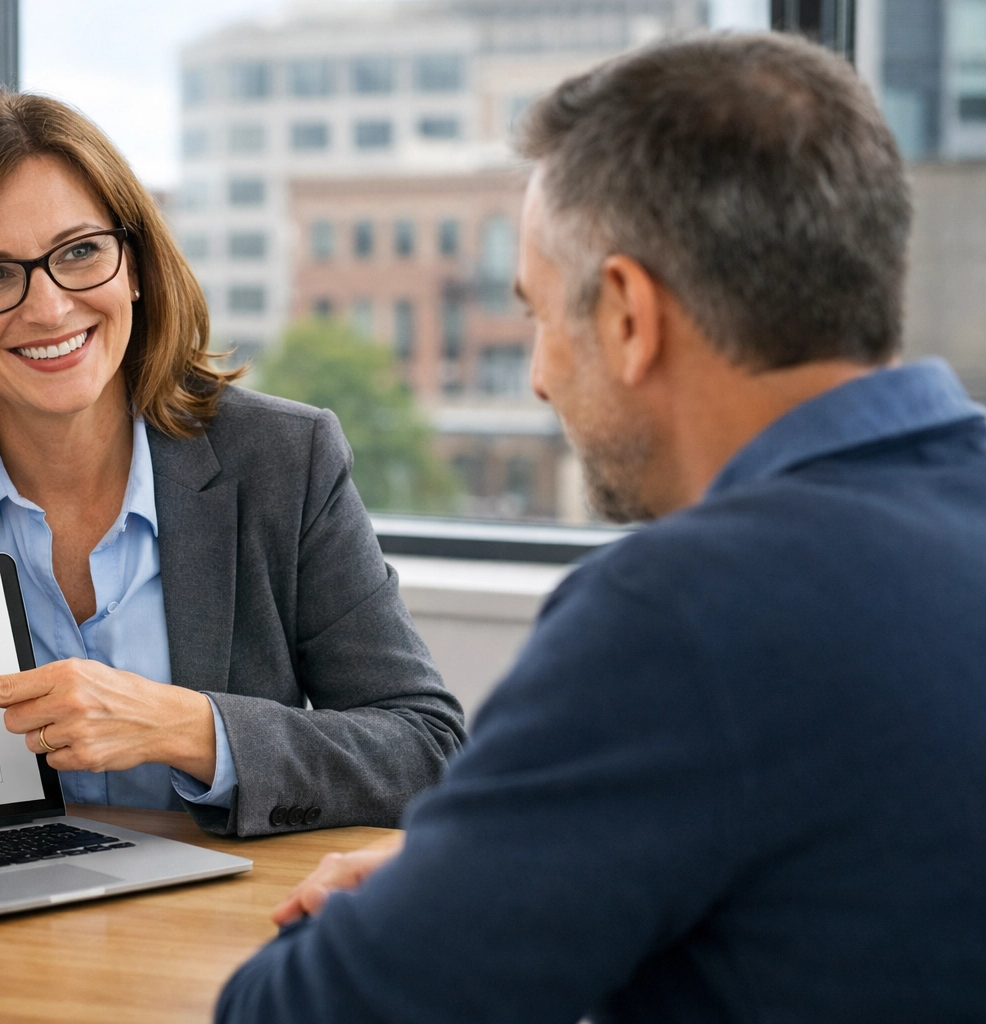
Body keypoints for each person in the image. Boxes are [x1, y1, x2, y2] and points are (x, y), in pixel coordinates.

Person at [218, 31, 986, 1021]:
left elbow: (310, 1012)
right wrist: (495, 866)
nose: (538, 374)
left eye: (540, 315)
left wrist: (427, 905)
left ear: (627, 314)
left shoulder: (679, 614)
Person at [0, 88, 464, 836]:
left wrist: (189, 729)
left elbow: (427, 751)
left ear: (133, 267)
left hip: (211, 928)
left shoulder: (284, 460)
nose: (51, 309)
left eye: (80, 252)